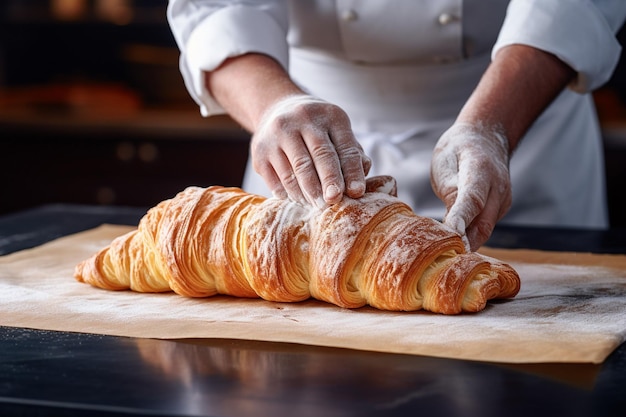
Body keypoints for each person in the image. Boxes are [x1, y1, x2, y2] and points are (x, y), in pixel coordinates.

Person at [167, 0, 626, 251]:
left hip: (518, 116)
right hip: (305, 136)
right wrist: (273, 106)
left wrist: (491, 127)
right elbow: (215, 11)